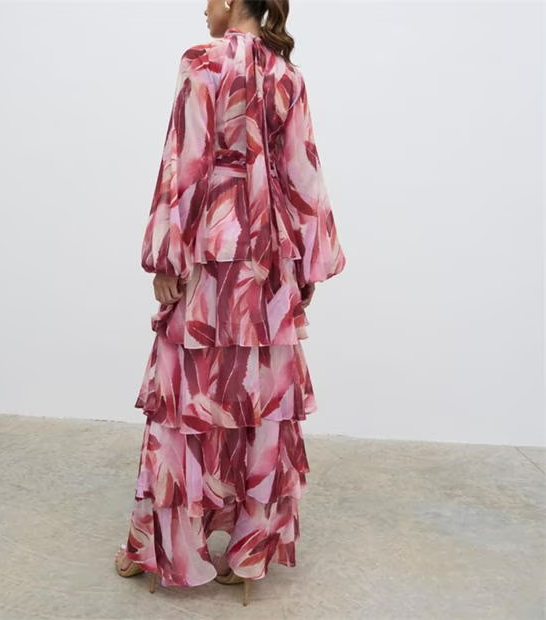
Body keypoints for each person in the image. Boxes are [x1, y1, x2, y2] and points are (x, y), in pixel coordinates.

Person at [114, 0, 346, 606]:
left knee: (188, 396)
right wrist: (308, 260)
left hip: (210, 257)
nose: (203, 7)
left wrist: (165, 256)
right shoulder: (288, 76)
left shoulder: (202, 62)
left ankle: (168, 545)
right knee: (261, 398)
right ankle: (250, 554)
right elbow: (304, 170)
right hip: (268, 258)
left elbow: (183, 164)